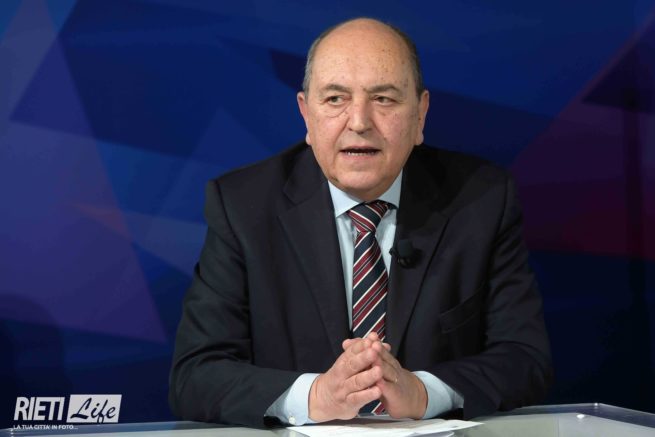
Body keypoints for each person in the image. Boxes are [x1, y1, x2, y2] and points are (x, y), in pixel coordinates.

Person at [168, 17, 553, 428]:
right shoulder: (243, 207)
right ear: (306, 114)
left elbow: (525, 360)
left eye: (384, 99)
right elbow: (195, 376)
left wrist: (423, 393)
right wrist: (316, 397)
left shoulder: (482, 201)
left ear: (420, 115)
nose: (359, 122)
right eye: (335, 99)